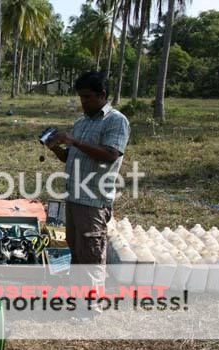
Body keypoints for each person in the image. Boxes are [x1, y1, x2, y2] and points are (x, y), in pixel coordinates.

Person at [46, 71, 130, 311]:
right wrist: (56, 148)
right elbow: (71, 158)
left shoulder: (116, 121)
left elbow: (110, 155)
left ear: (102, 95)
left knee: (91, 253)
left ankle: (91, 307)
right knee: (76, 249)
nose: (83, 102)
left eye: (87, 97)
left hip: (94, 200)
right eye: (80, 97)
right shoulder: (82, 122)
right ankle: (79, 298)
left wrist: (74, 142)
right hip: (74, 196)